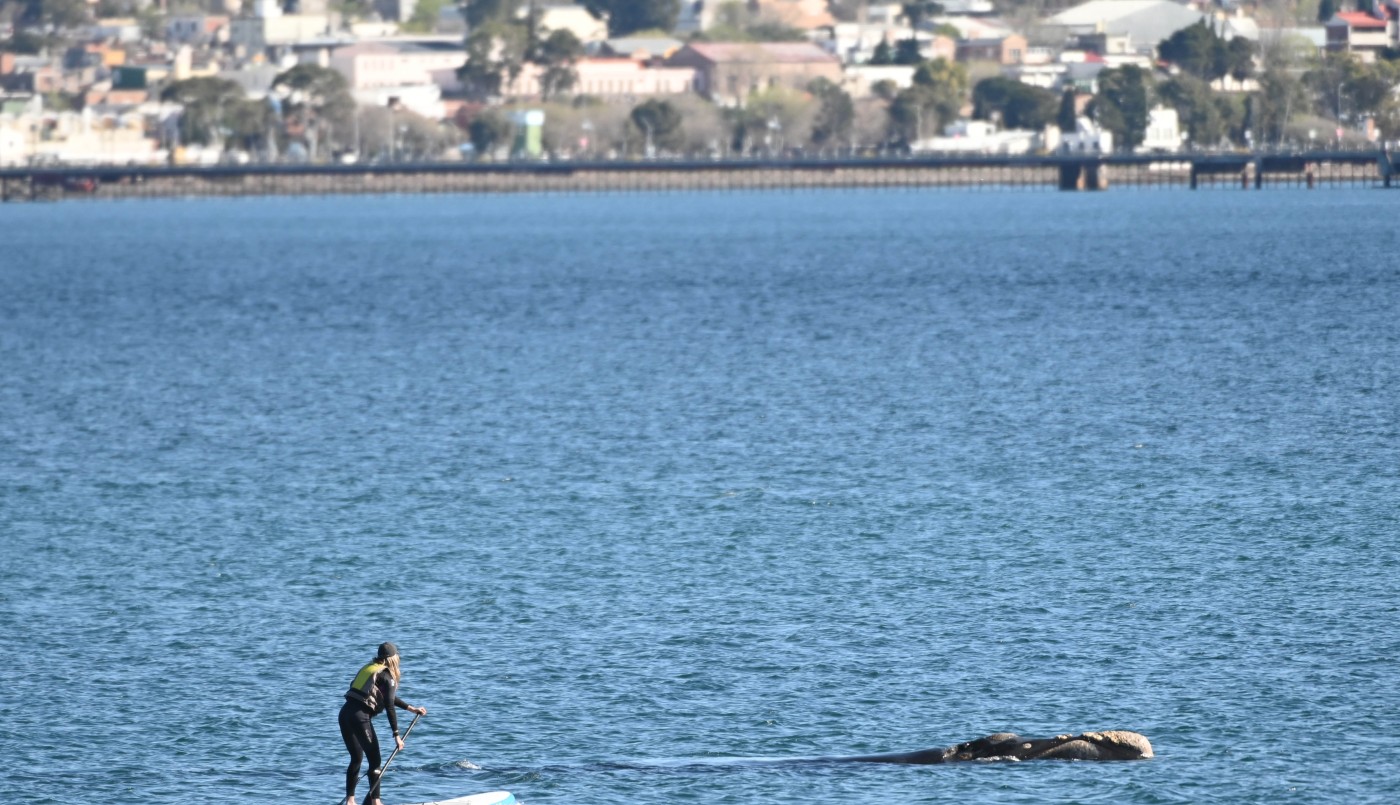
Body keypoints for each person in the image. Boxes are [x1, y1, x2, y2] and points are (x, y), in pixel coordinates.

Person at [339, 642, 428, 805]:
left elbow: (389, 699)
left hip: (344, 715)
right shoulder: (387, 677)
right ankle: (376, 802)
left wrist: (410, 708)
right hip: (359, 718)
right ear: (393, 659)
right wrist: (396, 735)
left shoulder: (370, 668)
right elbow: (389, 706)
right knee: (375, 761)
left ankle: (350, 801)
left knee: (356, 758)